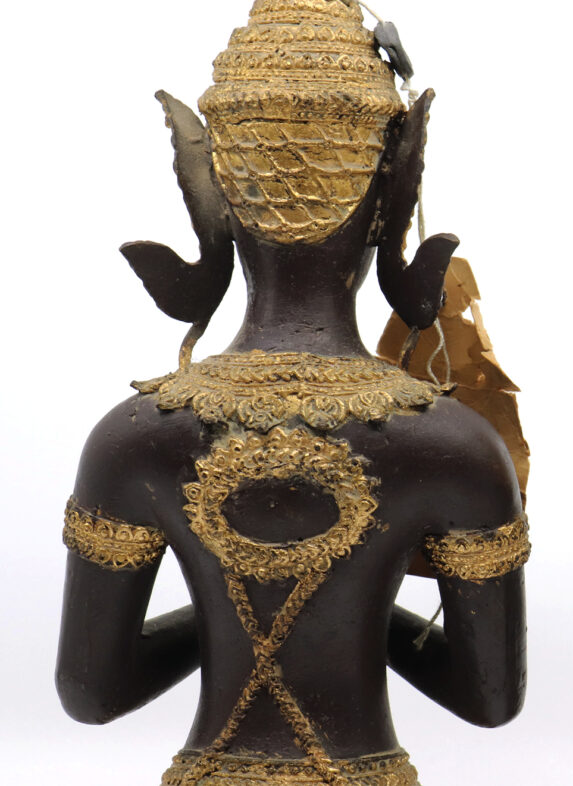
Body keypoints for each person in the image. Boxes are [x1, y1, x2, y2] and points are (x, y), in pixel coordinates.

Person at [57, 3, 527, 783]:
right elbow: (489, 700)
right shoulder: (453, 445)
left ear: (215, 194)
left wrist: (229, 610)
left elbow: (91, 693)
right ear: (392, 195)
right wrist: (357, 604)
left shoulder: (135, 438)